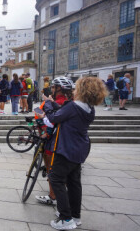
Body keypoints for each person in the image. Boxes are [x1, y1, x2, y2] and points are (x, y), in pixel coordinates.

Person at [37, 77, 107, 230]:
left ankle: (65, 218)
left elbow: (55, 117)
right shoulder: (88, 108)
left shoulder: (74, 107)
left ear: (82, 90)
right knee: (74, 182)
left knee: (56, 178)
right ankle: (75, 215)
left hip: (67, 148)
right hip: (80, 148)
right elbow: (64, 111)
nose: (74, 90)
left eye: (76, 88)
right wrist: (54, 103)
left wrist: (48, 103)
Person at [35, 77, 73, 206]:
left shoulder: (61, 101)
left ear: (59, 89)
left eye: (53, 87)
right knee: (54, 170)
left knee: (52, 169)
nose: (51, 89)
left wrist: (47, 106)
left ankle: (53, 195)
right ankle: (55, 194)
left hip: (55, 139)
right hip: (60, 139)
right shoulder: (64, 101)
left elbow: (53, 120)